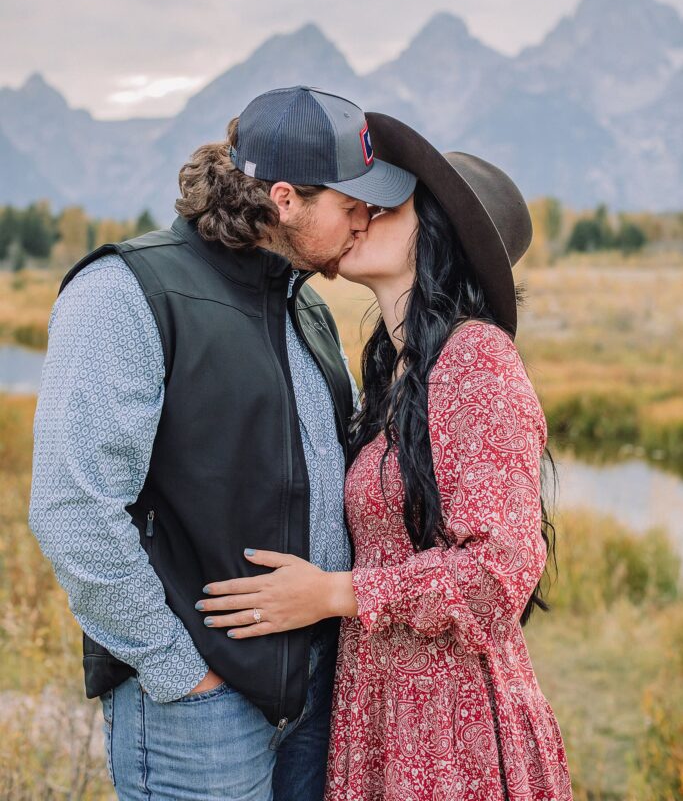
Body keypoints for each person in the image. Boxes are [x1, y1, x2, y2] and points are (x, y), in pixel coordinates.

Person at [29, 87, 416, 801]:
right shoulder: (125, 291)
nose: (366, 219)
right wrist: (181, 672)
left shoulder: (304, 306)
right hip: (198, 715)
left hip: (309, 695)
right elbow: (72, 509)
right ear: (285, 200)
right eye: (351, 202)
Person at [196, 112, 573, 800]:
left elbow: (500, 569)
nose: (359, 214)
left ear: (435, 235)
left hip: (450, 730)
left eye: (386, 205)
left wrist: (334, 593)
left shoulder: (476, 361)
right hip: (382, 712)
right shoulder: (396, 374)